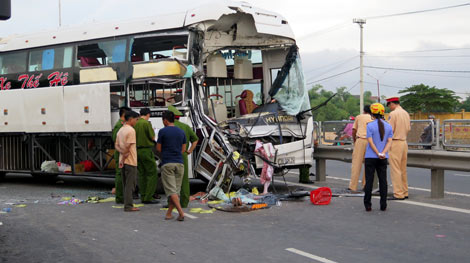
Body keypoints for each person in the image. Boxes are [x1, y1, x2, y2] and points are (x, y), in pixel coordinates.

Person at [156, 111, 186, 221]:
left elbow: (158, 148)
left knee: (171, 191)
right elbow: (183, 149)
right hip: (180, 163)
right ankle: (169, 213)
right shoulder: (181, 132)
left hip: (168, 163)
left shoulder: (162, 131)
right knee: (176, 191)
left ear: (165, 120)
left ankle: (181, 212)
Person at [364, 103, 393, 212]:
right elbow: (389, 142)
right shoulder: (388, 126)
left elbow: (370, 142)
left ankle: (368, 205)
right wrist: (383, 153)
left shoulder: (369, 126)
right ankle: (383, 205)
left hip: (370, 157)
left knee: (369, 181)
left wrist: (376, 153)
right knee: (383, 181)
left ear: (372, 113)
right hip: (383, 157)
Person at [168, 106, 199, 208]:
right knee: (184, 179)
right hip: (183, 156)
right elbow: (195, 139)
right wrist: (190, 150)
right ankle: (184, 203)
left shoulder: (168, 127)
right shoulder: (185, 127)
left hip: (170, 155)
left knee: (171, 180)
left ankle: (171, 203)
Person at [115, 110, 140, 212]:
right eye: (136, 119)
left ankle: (127, 204)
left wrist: (121, 156)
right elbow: (129, 147)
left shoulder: (120, 130)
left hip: (123, 160)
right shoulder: (131, 130)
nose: (136, 121)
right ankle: (129, 206)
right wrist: (124, 156)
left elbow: (116, 145)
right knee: (130, 184)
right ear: (130, 119)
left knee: (126, 184)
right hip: (130, 161)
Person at [386, 97, 411, 200]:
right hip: (404, 142)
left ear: (392, 103)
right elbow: (409, 128)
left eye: (389, 105)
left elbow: (389, 130)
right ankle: (405, 191)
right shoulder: (406, 113)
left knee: (395, 169)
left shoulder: (393, 114)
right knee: (402, 169)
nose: (389, 108)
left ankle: (398, 193)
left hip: (395, 142)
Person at [135, 108, 159, 204]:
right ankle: (148, 197)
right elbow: (153, 137)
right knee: (152, 173)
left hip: (137, 150)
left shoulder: (136, 123)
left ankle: (143, 195)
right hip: (146, 150)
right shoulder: (146, 123)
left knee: (142, 174)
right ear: (148, 114)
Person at [348, 105, 373, 192]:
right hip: (371, 142)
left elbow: (354, 130)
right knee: (368, 164)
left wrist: (355, 140)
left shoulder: (359, 117)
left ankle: (353, 186)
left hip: (361, 140)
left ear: (364, 110)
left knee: (356, 164)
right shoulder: (373, 118)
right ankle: (365, 185)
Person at [112, 106, 130, 204]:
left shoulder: (122, 124)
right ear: (124, 115)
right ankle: (119, 197)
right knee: (120, 175)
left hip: (122, 152)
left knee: (123, 174)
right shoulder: (119, 125)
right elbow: (116, 140)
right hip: (120, 153)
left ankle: (122, 195)